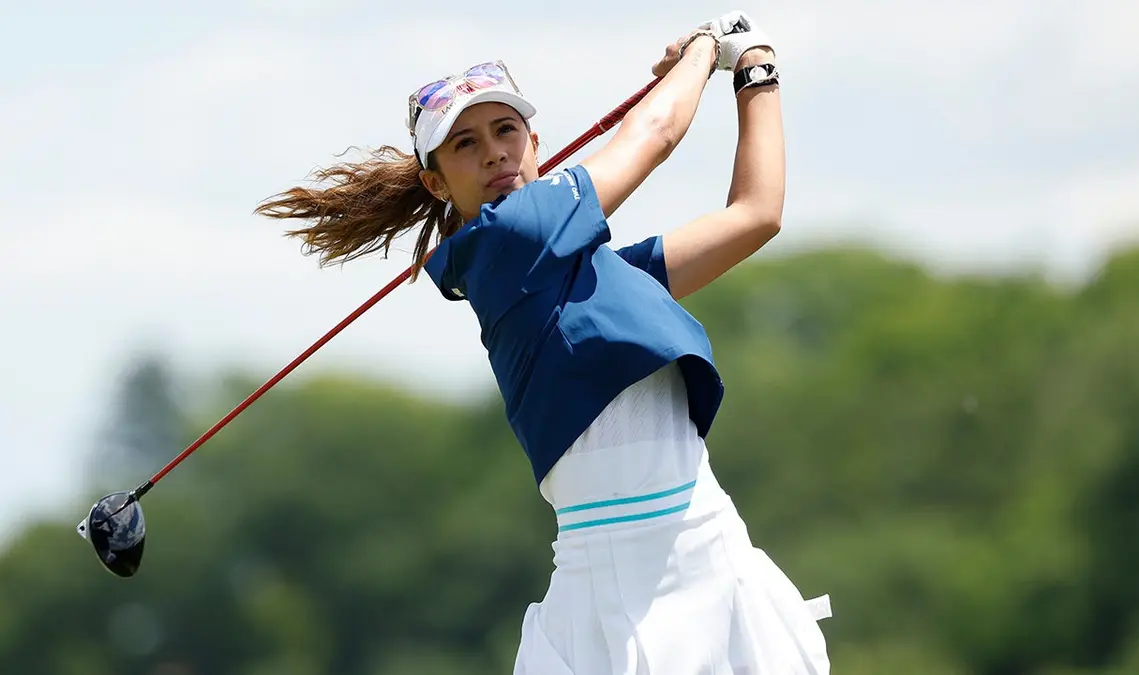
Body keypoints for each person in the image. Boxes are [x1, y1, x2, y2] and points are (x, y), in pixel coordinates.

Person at [256, 10, 832, 674]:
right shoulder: (506, 241)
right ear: (437, 182)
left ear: (536, 143)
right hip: (604, 595)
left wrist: (755, 66)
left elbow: (755, 214)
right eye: (465, 144)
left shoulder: (613, 275)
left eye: (506, 130)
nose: (495, 151)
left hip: (713, 551)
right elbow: (654, 131)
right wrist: (707, 46)